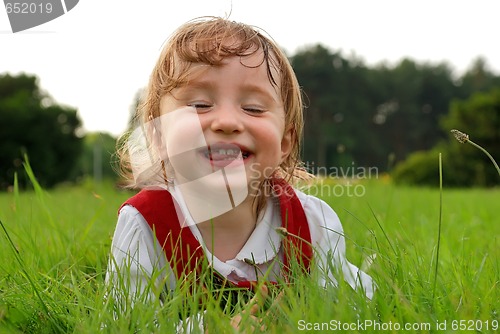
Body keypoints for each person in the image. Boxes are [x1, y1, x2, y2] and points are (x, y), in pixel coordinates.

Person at [106, 16, 374, 330]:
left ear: (285, 142)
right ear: (158, 135)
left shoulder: (311, 222)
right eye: (200, 104)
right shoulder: (146, 224)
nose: (228, 121)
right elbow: (122, 326)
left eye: (254, 108)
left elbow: (355, 309)